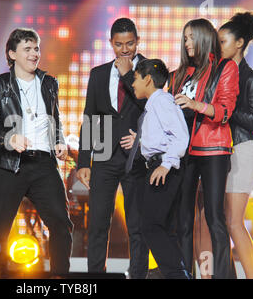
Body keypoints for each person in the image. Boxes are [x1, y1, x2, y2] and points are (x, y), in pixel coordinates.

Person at [0, 28, 73, 275]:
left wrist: (59, 140)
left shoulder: (49, 82)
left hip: (43, 163)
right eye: (27, 49)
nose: (34, 54)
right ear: (12, 54)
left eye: (36, 48)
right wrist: (9, 138)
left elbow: (55, 118)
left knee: (61, 223)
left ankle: (60, 277)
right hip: (10, 164)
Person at [193, 12, 253, 280]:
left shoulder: (251, 78)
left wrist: (225, 108)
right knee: (202, 220)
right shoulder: (212, 75)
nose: (217, 46)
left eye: (222, 41)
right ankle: (209, 275)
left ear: (239, 43)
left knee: (234, 222)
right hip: (212, 151)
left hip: (241, 151)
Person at [76, 17, 149, 278]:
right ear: (111, 43)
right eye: (119, 44)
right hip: (104, 156)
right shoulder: (98, 74)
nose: (125, 50)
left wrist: (128, 74)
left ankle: (138, 274)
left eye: (130, 43)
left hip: (136, 157)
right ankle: (96, 276)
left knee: (137, 225)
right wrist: (84, 162)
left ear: (137, 42)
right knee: (97, 223)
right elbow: (90, 118)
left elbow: (150, 109)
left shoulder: (149, 71)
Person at [169, 18, 239, 278]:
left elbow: (224, 110)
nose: (187, 43)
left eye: (191, 37)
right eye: (184, 38)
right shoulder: (177, 75)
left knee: (214, 218)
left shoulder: (225, 68)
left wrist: (195, 104)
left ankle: (223, 275)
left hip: (213, 150)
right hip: (184, 153)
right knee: (183, 221)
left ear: (203, 37)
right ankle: (185, 274)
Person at [128, 58, 190, 278]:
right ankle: (178, 273)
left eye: (135, 79)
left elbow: (180, 135)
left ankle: (177, 275)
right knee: (161, 228)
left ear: (147, 79)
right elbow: (162, 136)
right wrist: (141, 141)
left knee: (151, 226)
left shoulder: (162, 100)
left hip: (163, 168)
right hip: (157, 165)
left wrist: (165, 164)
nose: (132, 84)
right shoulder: (155, 104)